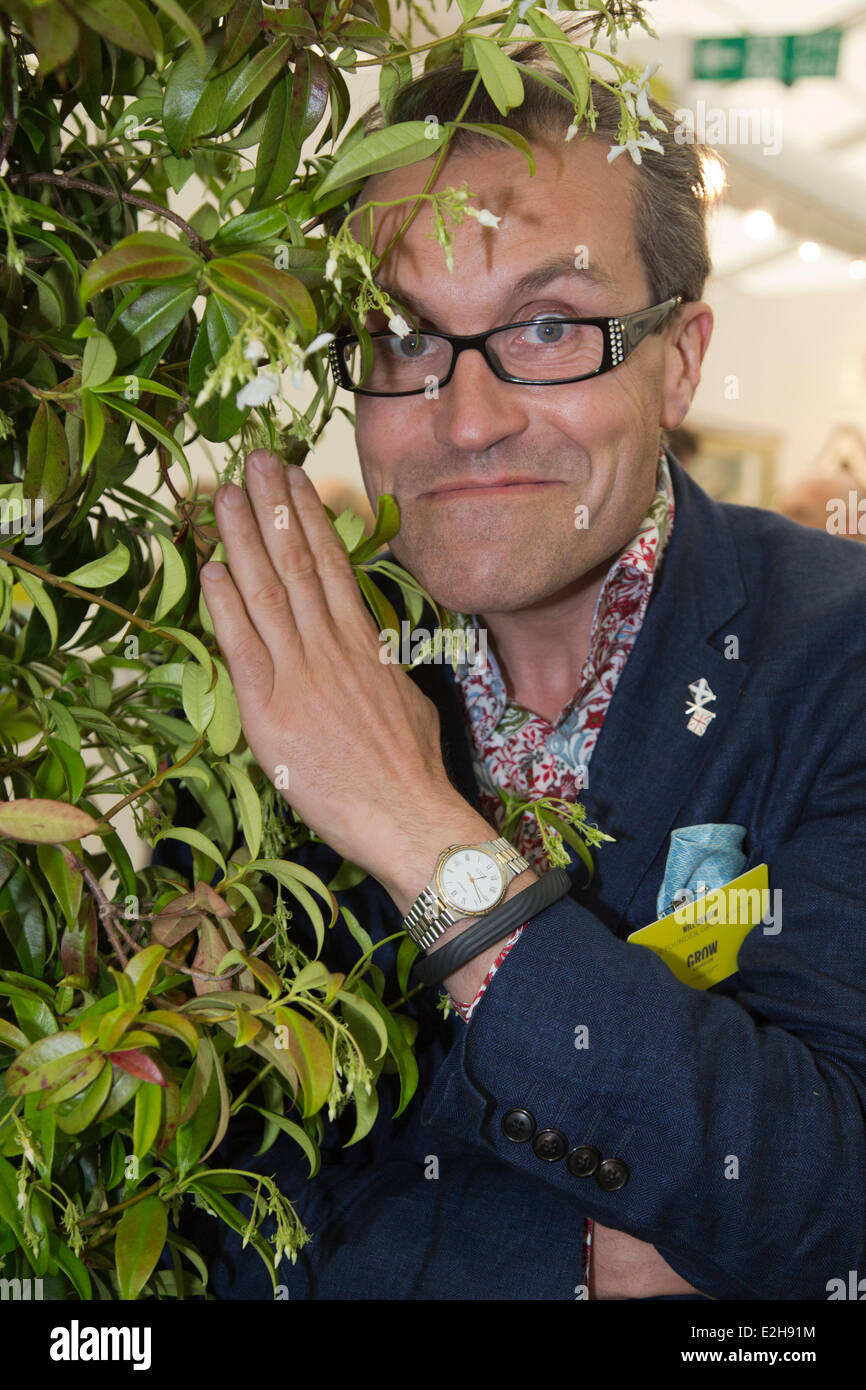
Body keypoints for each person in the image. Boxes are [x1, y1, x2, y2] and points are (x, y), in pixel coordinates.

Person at [157, 30, 866, 1301]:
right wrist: (574, 1260)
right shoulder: (267, 659)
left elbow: (826, 1200)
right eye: (404, 338)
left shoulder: (836, 652)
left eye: (547, 326)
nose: (467, 419)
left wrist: (410, 827)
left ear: (681, 357)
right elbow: (203, 1214)